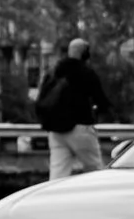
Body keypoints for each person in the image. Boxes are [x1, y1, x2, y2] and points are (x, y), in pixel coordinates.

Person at [35, 35, 109, 178]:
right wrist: (98, 113)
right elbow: (101, 100)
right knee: (95, 169)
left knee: (58, 173)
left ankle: (55, 192)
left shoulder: (53, 72)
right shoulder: (86, 72)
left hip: (55, 131)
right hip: (80, 127)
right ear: (84, 53)